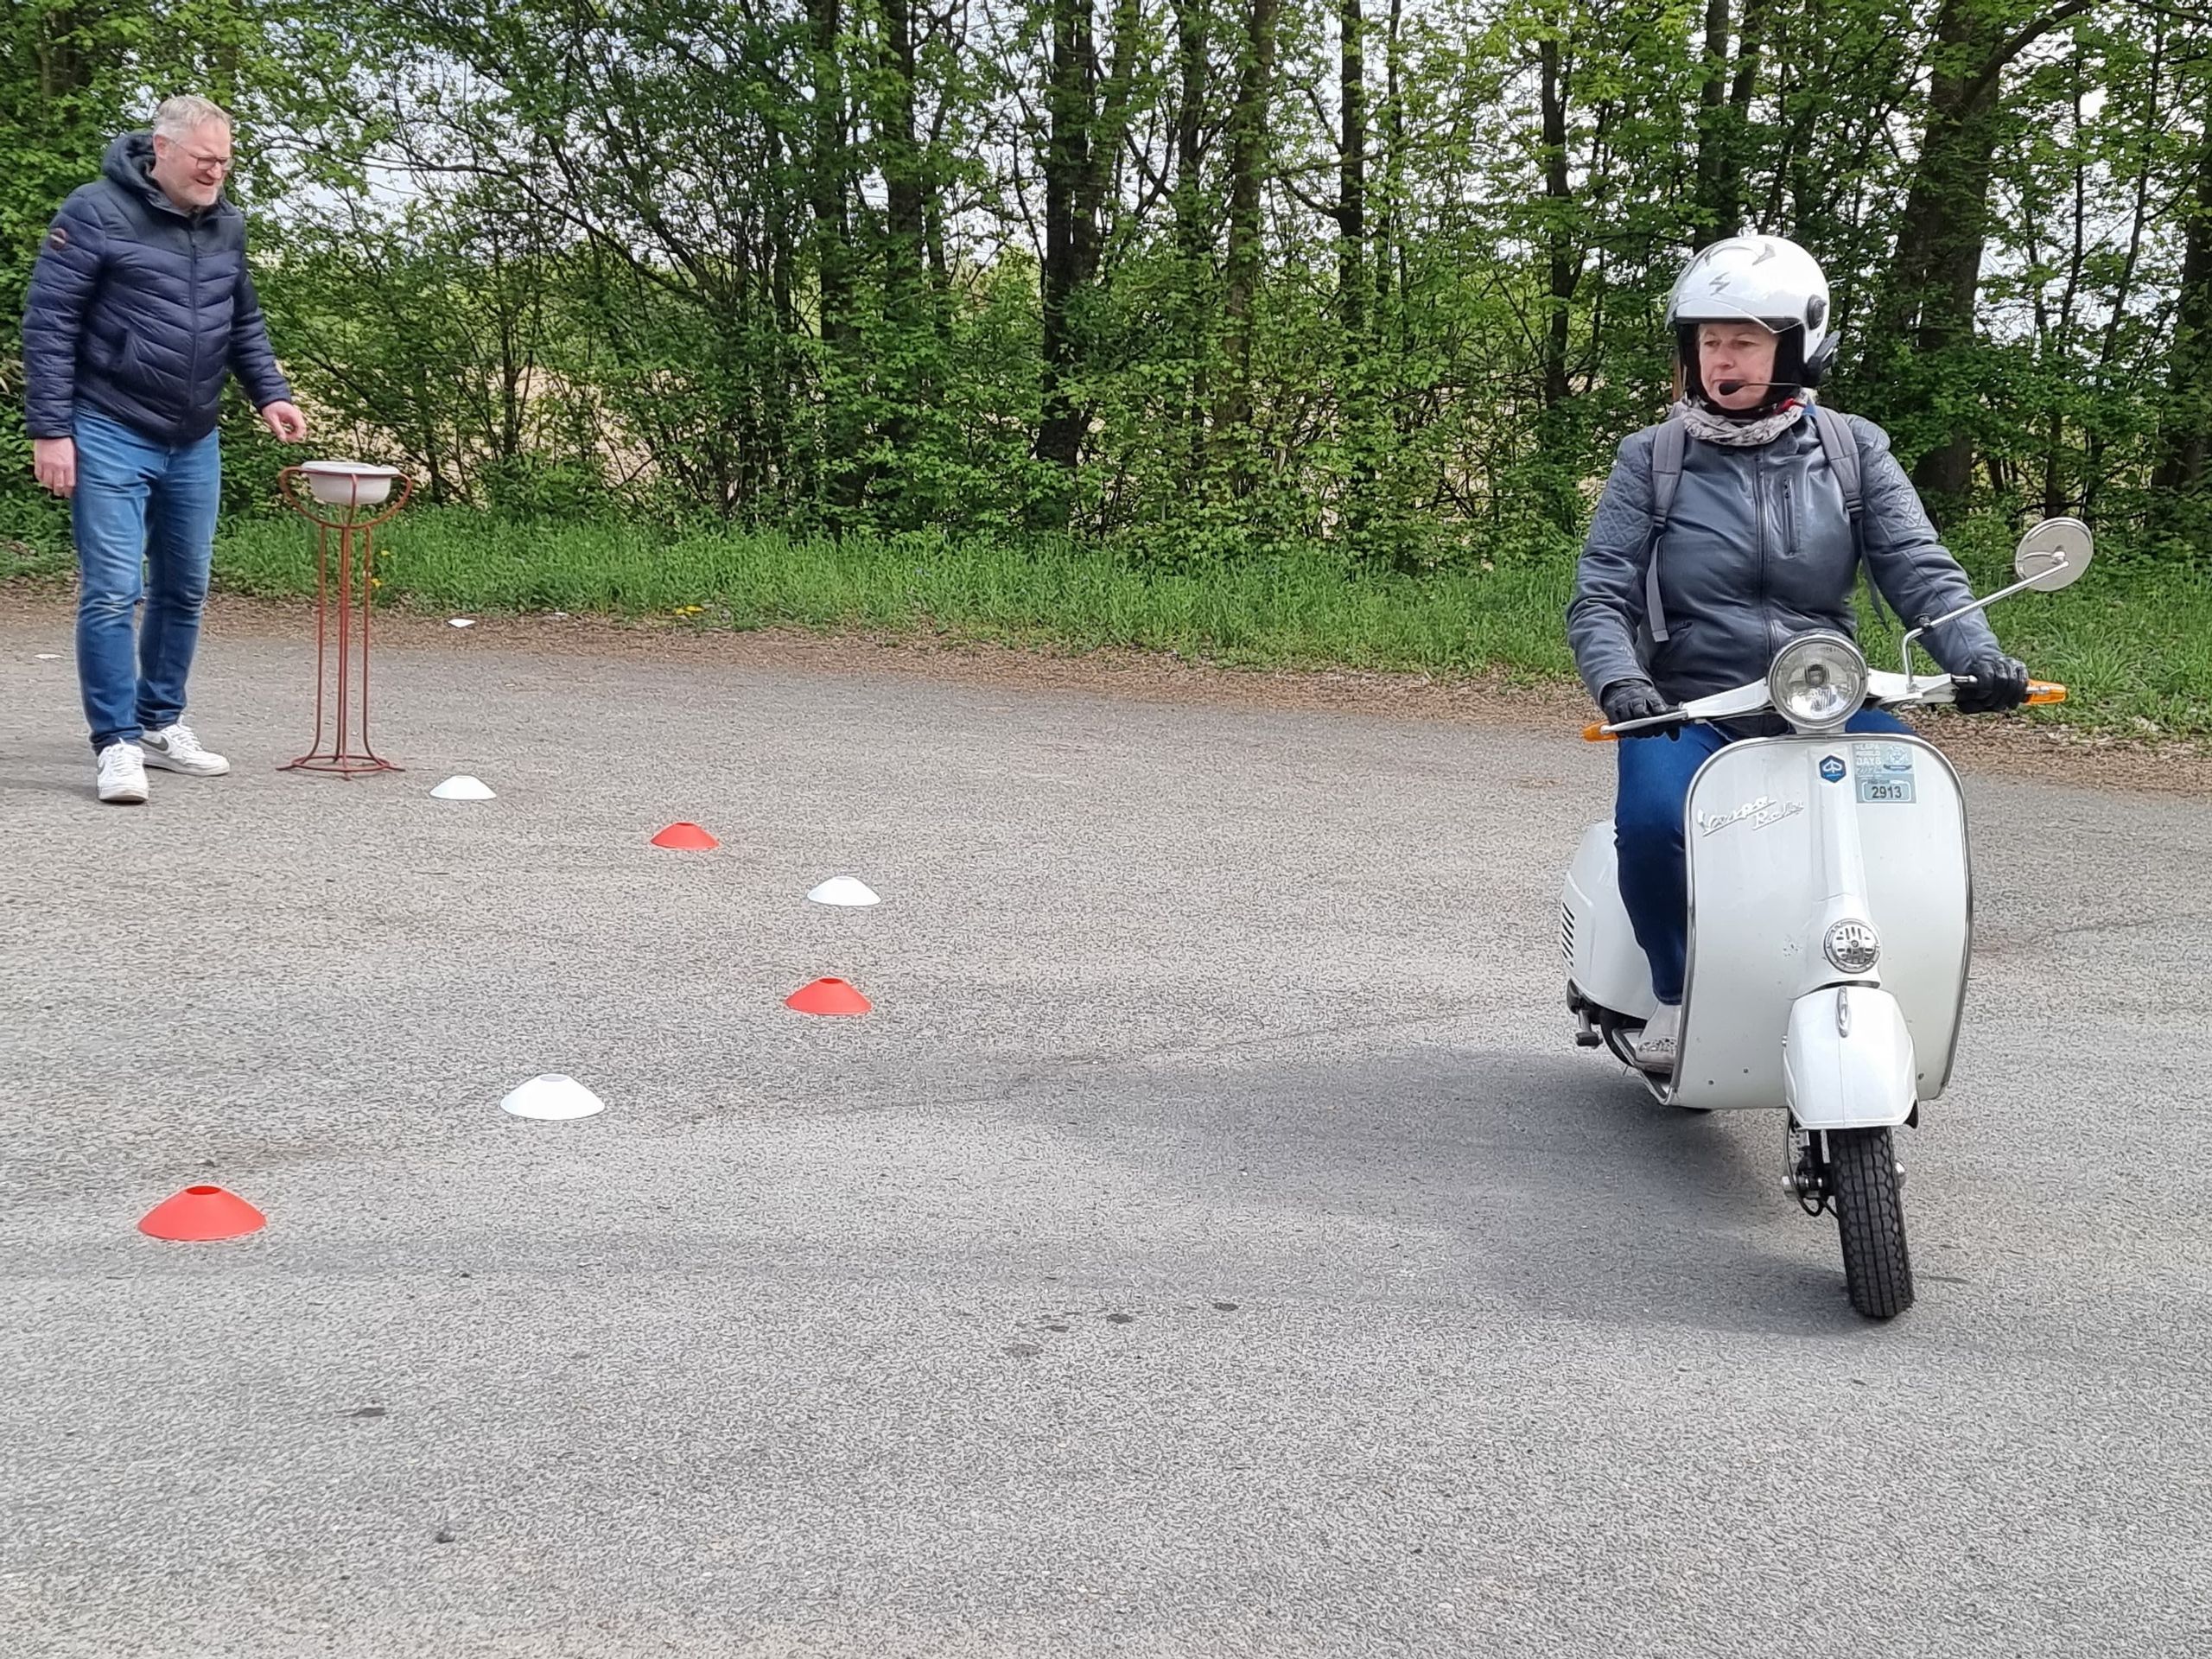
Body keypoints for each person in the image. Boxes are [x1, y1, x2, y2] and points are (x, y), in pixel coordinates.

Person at [1567, 233, 2026, 1075]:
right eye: (1708, 341)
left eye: (1743, 340)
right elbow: (1601, 593)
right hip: (1690, 707)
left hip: (1825, 700)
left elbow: (1919, 569)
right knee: (1654, 823)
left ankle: (1873, 983)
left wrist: (1978, 656)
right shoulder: (1651, 459)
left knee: (1917, 816)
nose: (1721, 359)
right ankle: (1676, 991)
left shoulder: (1853, 450)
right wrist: (1622, 681)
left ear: (1798, 346)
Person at [22, 93, 308, 805]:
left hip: (194, 435)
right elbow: (50, 324)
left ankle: (159, 722)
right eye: (205, 159)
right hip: (108, 425)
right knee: (114, 589)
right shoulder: (94, 211)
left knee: (184, 588)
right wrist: (51, 430)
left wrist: (270, 394)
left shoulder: (227, 225)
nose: (216, 172)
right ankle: (115, 743)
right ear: (162, 149)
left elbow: (242, 321)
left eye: (225, 161)